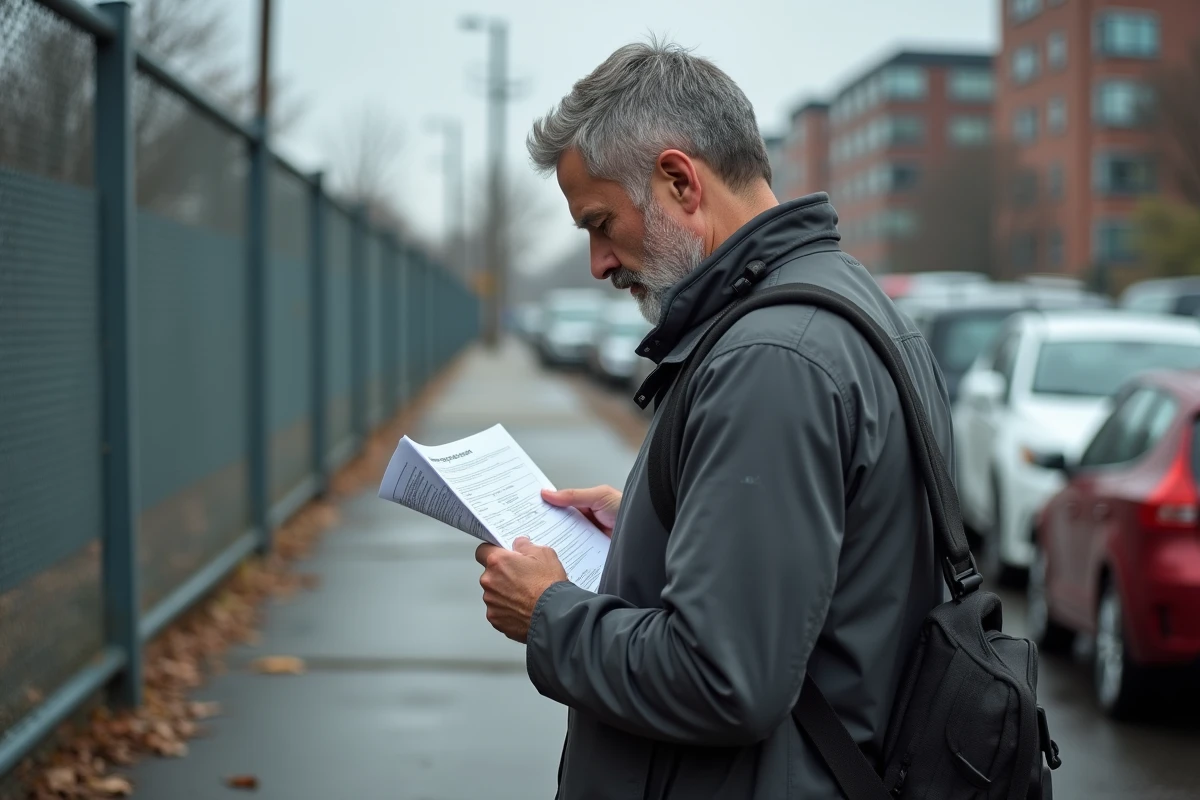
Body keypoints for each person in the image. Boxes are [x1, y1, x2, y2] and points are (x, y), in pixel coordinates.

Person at [473, 39, 954, 799]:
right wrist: (659, 524)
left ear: (678, 181)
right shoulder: (846, 305)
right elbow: (836, 565)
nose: (600, 262)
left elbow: (723, 677)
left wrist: (549, 616)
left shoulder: (771, 358)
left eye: (600, 222)